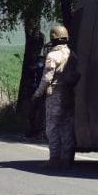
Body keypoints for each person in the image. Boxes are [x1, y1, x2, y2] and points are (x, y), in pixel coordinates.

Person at [31, 24, 76, 169]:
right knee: (67, 127)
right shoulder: (73, 55)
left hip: (55, 94)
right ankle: (66, 159)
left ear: (53, 39)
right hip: (69, 94)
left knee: (52, 127)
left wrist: (37, 94)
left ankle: (54, 159)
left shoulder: (52, 56)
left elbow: (46, 78)